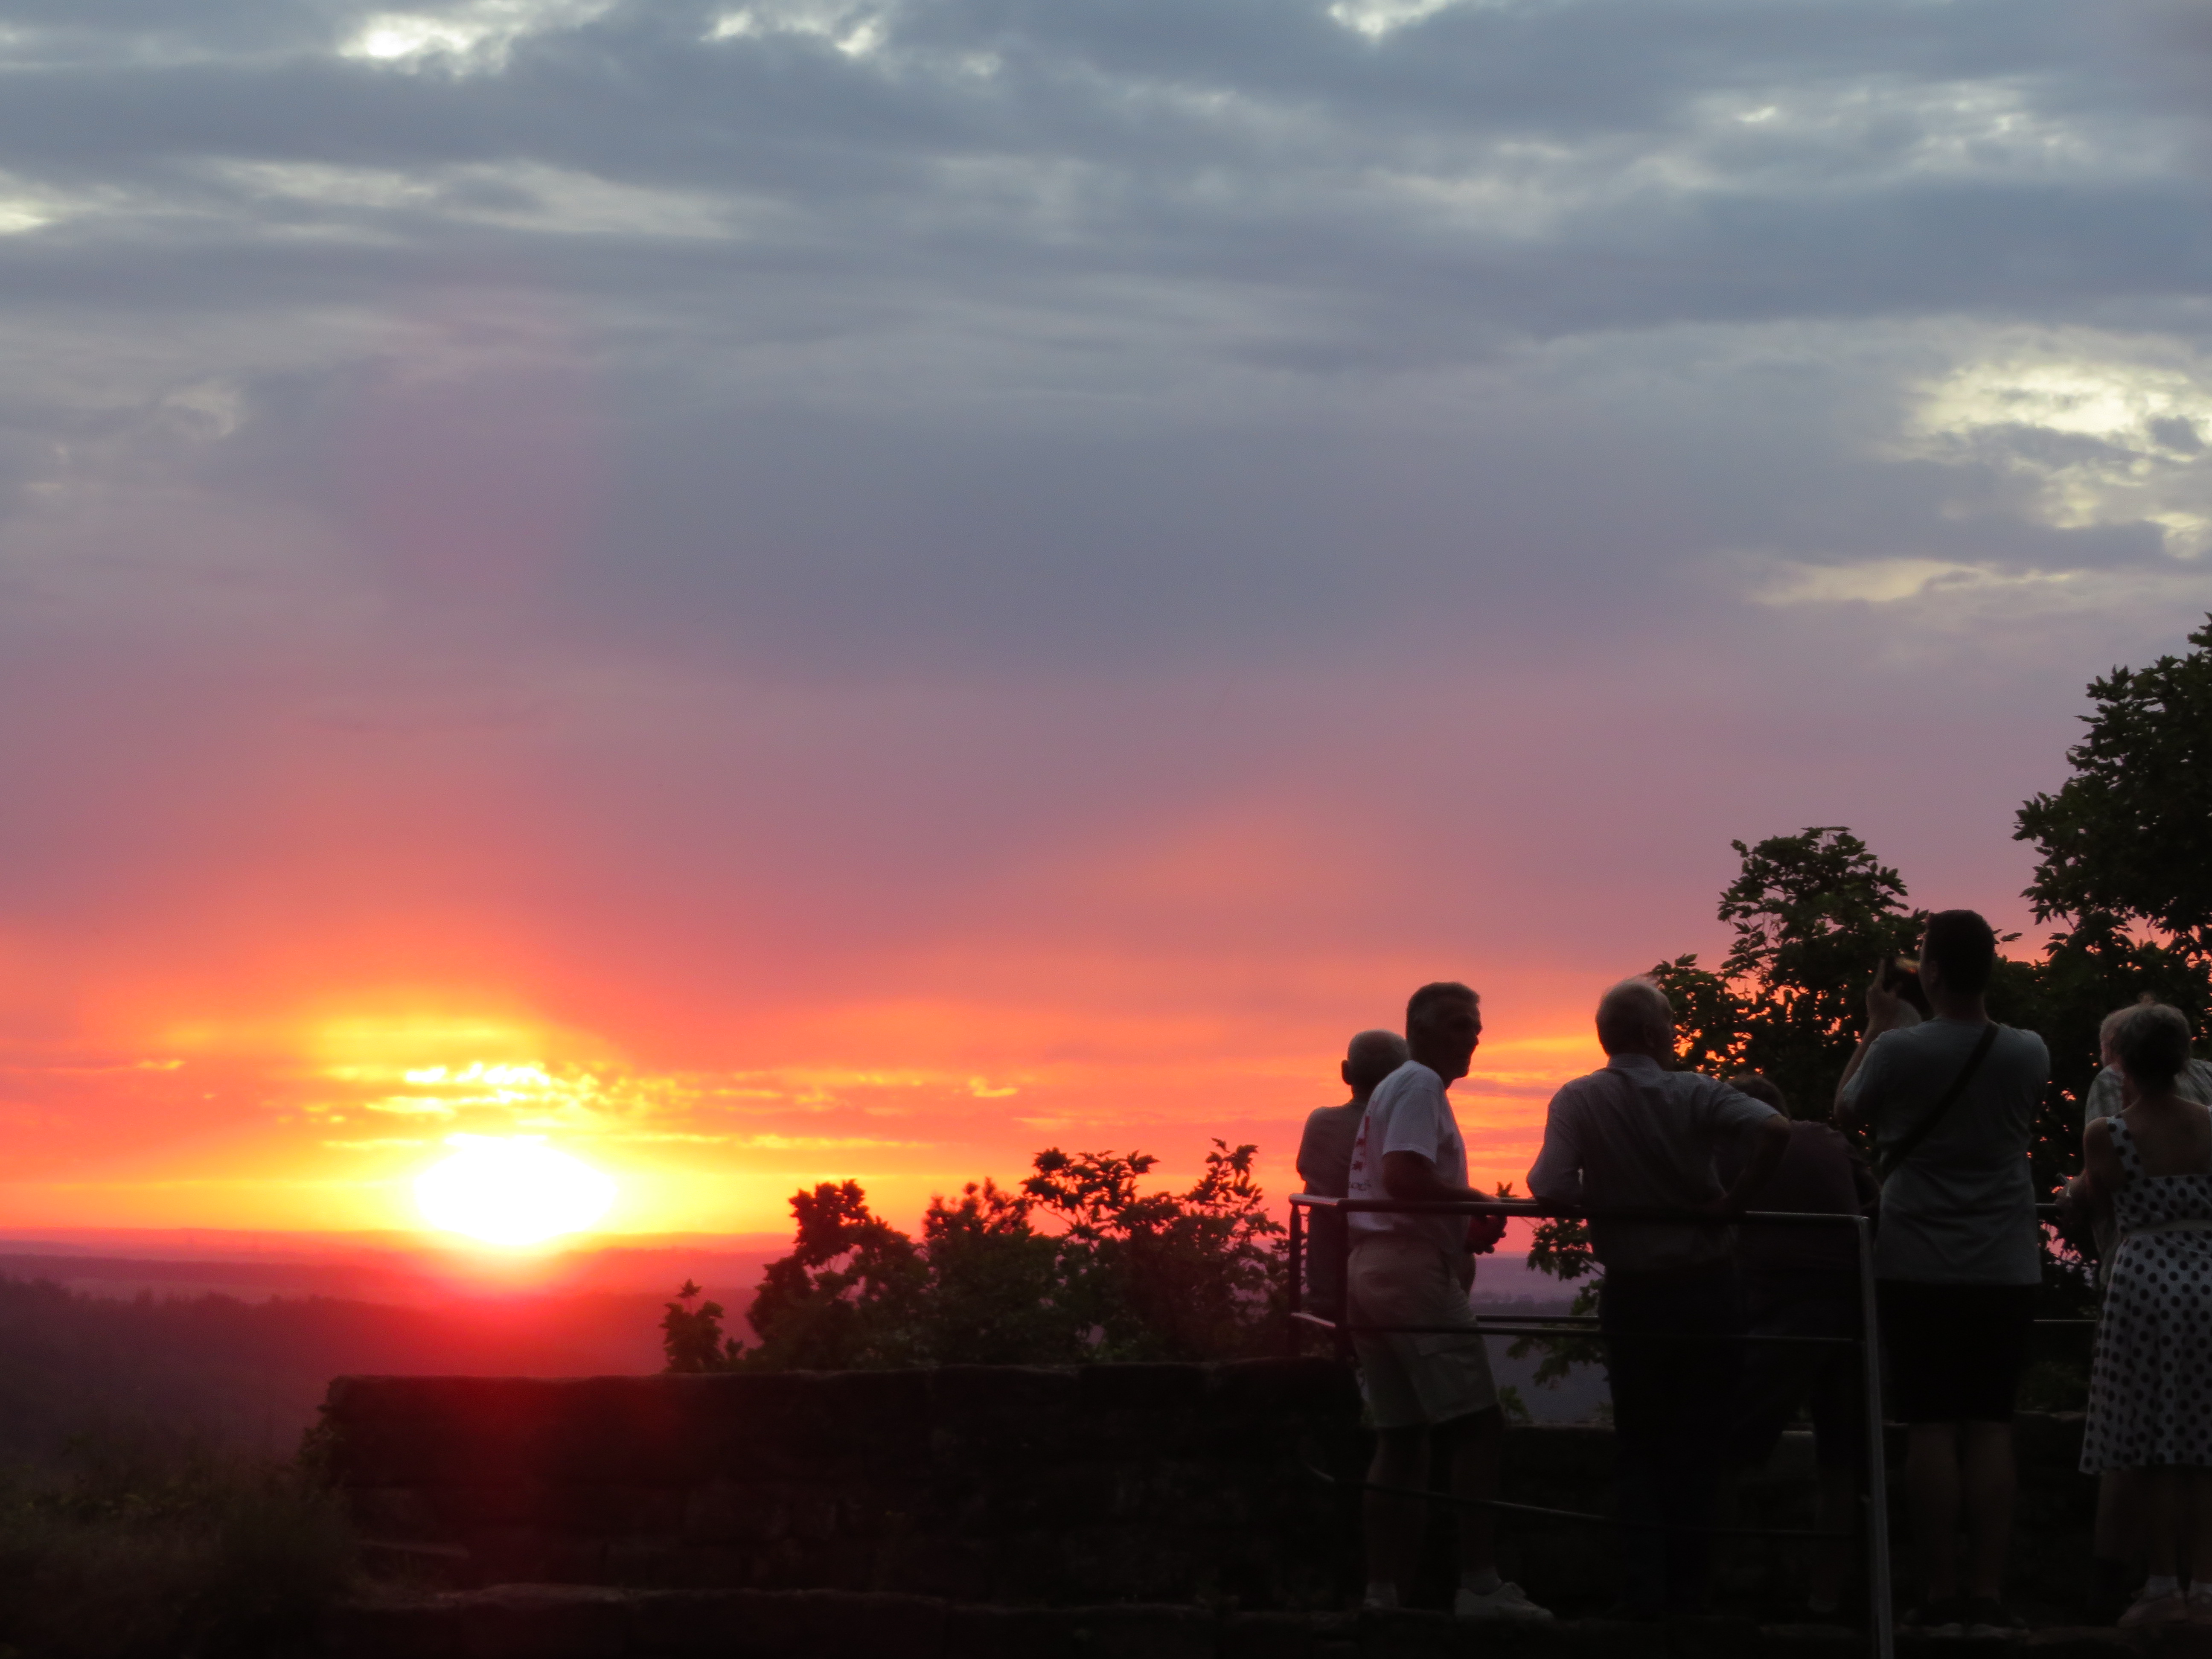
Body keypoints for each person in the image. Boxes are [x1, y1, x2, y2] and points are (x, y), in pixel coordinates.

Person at [1526, 978, 1789, 1617]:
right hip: (1707, 1289)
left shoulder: (1578, 1098)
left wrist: (1608, 1201)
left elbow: (1549, 1184)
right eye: (1669, 1020)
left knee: (1640, 1443)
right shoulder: (1696, 1091)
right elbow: (1776, 1129)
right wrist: (1733, 1204)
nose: (1674, 1031)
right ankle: (1694, 1596)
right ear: (1651, 1033)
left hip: (1634, 1293)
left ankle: (1644, 1596)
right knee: (1704, 1444)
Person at [1835, 909, 2049, 1639]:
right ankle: (1986, 1594)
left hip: (1916, 1260)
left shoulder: (1899, 1049)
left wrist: (1876, 1024)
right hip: (2005, 1261)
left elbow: (1845, 1111)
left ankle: (1938, 1593)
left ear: (1927, 971)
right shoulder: (2029, 1050)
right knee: (1990, 1424)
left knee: (1929, 1424)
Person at [1343, 982, 1548, 1620]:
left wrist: (1456, 1224)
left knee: (1401, 1437)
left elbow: (1396, 1185)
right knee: (1478, 1427)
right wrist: (1479, 1201)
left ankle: (1382, 1594)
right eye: (1460, 1025)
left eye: (1476, 1027)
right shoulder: (1421, 1084)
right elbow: (1405, 1176)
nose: (1474, 1038)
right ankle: (1479, 1587)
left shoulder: (1395, 1086)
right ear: (1421, 1031)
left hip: (1371, 1268)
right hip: (1410, 1273)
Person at [1718, 1072, 1880, 1620]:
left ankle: (1706, 1586)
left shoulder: (1734, 1149)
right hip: (1851, 1312)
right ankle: (1826, 1599)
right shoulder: (1829, 1139)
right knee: (1842, 1462)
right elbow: (1874, 1202)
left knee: (1727, 1452)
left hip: (1778, 1312)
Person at [2072, 1000, 2212, 1618]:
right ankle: (2204, 1583)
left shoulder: (2108, 1133)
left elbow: (2098, 1199)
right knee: (2204, 1441)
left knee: (2152, 1440)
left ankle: (2158, 1582)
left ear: (2123, 1062)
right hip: (2206, 1276)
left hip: (2143, 1283)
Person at [1296, 1030, 1410, 1324]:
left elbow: (1309, 1171)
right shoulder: (1408, 1132)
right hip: (1394, 1286)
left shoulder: (1320, 1123)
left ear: (1345, 1073)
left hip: (1329, 1287)